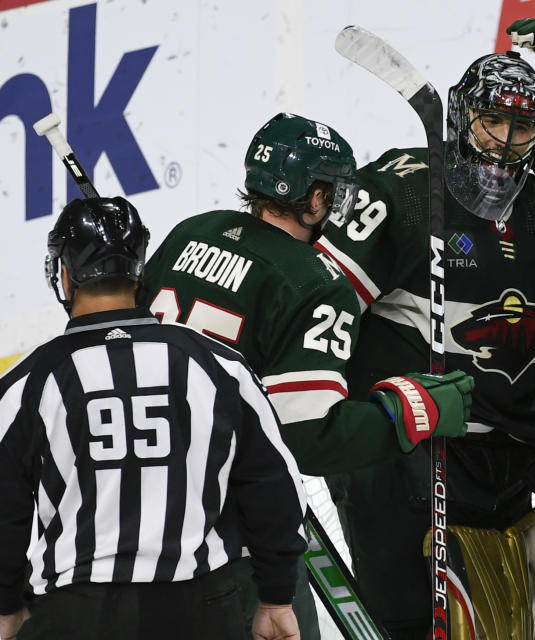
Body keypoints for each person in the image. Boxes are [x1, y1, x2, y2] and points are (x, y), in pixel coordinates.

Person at [316, 19, 535, 639]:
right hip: (400, 451)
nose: (503, 142)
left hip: (504, 457)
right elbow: (320, 299)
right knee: (407, 624)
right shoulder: (405, 191)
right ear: (459, 119)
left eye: (521, 127)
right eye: (490, 122)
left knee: (509, 626)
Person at [138, 113, 474, 639]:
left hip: (137, 509)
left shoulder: (190, 232)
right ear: (313, 198)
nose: (338, 206)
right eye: (334, 192)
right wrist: (410, 413)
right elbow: (307, 438)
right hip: (232, 537)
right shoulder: (316, 285)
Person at [0, 197, 307, 640]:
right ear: (138, 271)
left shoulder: (29, 383)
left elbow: (5, 514)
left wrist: (8, 605)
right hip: (201, 607)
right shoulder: (219, 365)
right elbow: (274, 486)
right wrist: (277, 597)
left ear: (64, 276)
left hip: (77, 615)